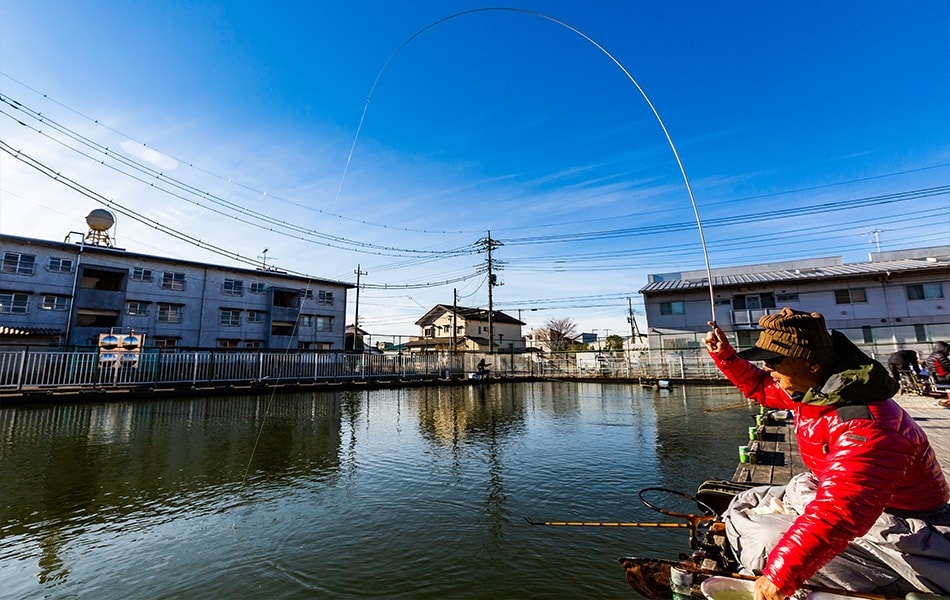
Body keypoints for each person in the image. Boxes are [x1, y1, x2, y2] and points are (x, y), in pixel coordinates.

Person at [702, 308, 950, 600]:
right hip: (847, 501)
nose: (767, 368)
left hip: (898, 525)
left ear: (812, 364)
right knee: (749, 500)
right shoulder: (816, 390)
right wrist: (726, 357)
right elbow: (761, 387)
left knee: (768, 542)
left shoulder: (865, 426)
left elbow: (838, 514)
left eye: (773, 360)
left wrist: (778, 575)